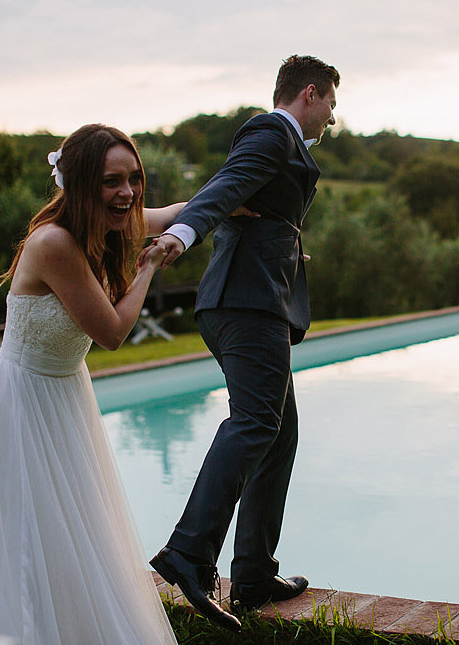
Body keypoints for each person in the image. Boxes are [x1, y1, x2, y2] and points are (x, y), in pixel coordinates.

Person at [0, 124, 188, 645]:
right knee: (25, 545)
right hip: (20, 405)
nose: (128, 193)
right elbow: (111, 332)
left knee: (71, 537)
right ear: (83, 185)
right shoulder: (55, 243)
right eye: (113, 181)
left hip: (64, 397)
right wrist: (149, 267)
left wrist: (233, 198)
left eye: (134, 179)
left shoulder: (102, 227)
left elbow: (164, 215)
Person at [147, 55, 339, 632]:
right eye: (331, 102)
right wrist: (181, 234)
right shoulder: (271, 130)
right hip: (245, 302)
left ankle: (254, 574)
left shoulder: (284, 146)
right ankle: (188, 553)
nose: (332, 116)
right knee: (256, 422)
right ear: (310, 93)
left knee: (279, 432)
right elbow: (224, 186)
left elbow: (250, 200)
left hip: (256, 300)